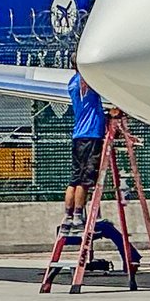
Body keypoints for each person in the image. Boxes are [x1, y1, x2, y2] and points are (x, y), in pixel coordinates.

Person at [62, 68, 107, 239]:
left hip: (78, 135)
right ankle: (78, 218)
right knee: (85, 180)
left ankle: (68, 217)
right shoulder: (88, 80)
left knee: (74, 179)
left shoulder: (72, 82)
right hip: (91, 135)